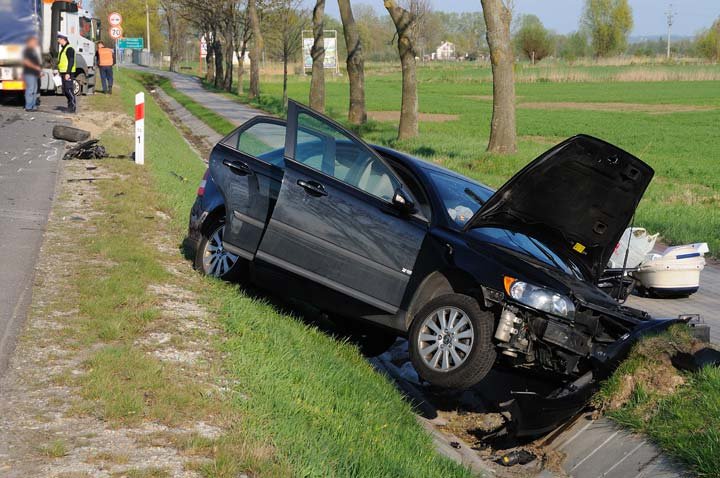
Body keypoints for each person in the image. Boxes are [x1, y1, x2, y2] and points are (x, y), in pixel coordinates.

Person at [57, 32, 76, 113]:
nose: (58, 41)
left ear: (63, 39)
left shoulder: (69, 48)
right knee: (65, 90)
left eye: (59, 39)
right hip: (63, 72)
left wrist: (68, 73)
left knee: (69, 89)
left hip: (68, 72)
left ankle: (72, 107)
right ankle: (69, 106)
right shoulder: (63, 48)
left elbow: (71, 61)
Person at [22, 35, 42, 112]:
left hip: (35, 73)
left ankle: (33, 106)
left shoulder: (33, 51)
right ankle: (28, 106)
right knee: (30, 90)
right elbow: (26, 62)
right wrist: (35, 67)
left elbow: (36, 62)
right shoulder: (27, 50)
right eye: (34, 42)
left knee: (34, 90)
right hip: (29, 73)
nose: (35, 43)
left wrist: (39, 71)